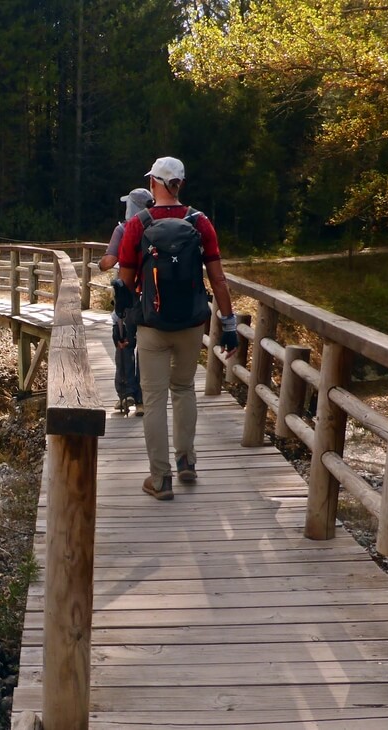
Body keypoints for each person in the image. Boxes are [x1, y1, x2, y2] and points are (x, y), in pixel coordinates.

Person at [115, 156, 238, 501]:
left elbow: (124, 284)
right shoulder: (200, 222)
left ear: (153, 183)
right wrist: (228, 326)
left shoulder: (138, 224)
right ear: (180, 184)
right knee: (183, 389)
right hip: (191, 324)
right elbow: (218, 279)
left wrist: (121, 326)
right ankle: (186, 462)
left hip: (152, 325)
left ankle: (161, 479)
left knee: (153, 400)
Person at [100, 187, 153, 417]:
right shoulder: (156, 227)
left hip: (128, 296)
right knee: (147, 347)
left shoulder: (122, 229)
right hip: (152, 297)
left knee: (124, 342)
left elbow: (109, 261)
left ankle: (125, 395)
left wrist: (101, 264)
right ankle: (142, 399)